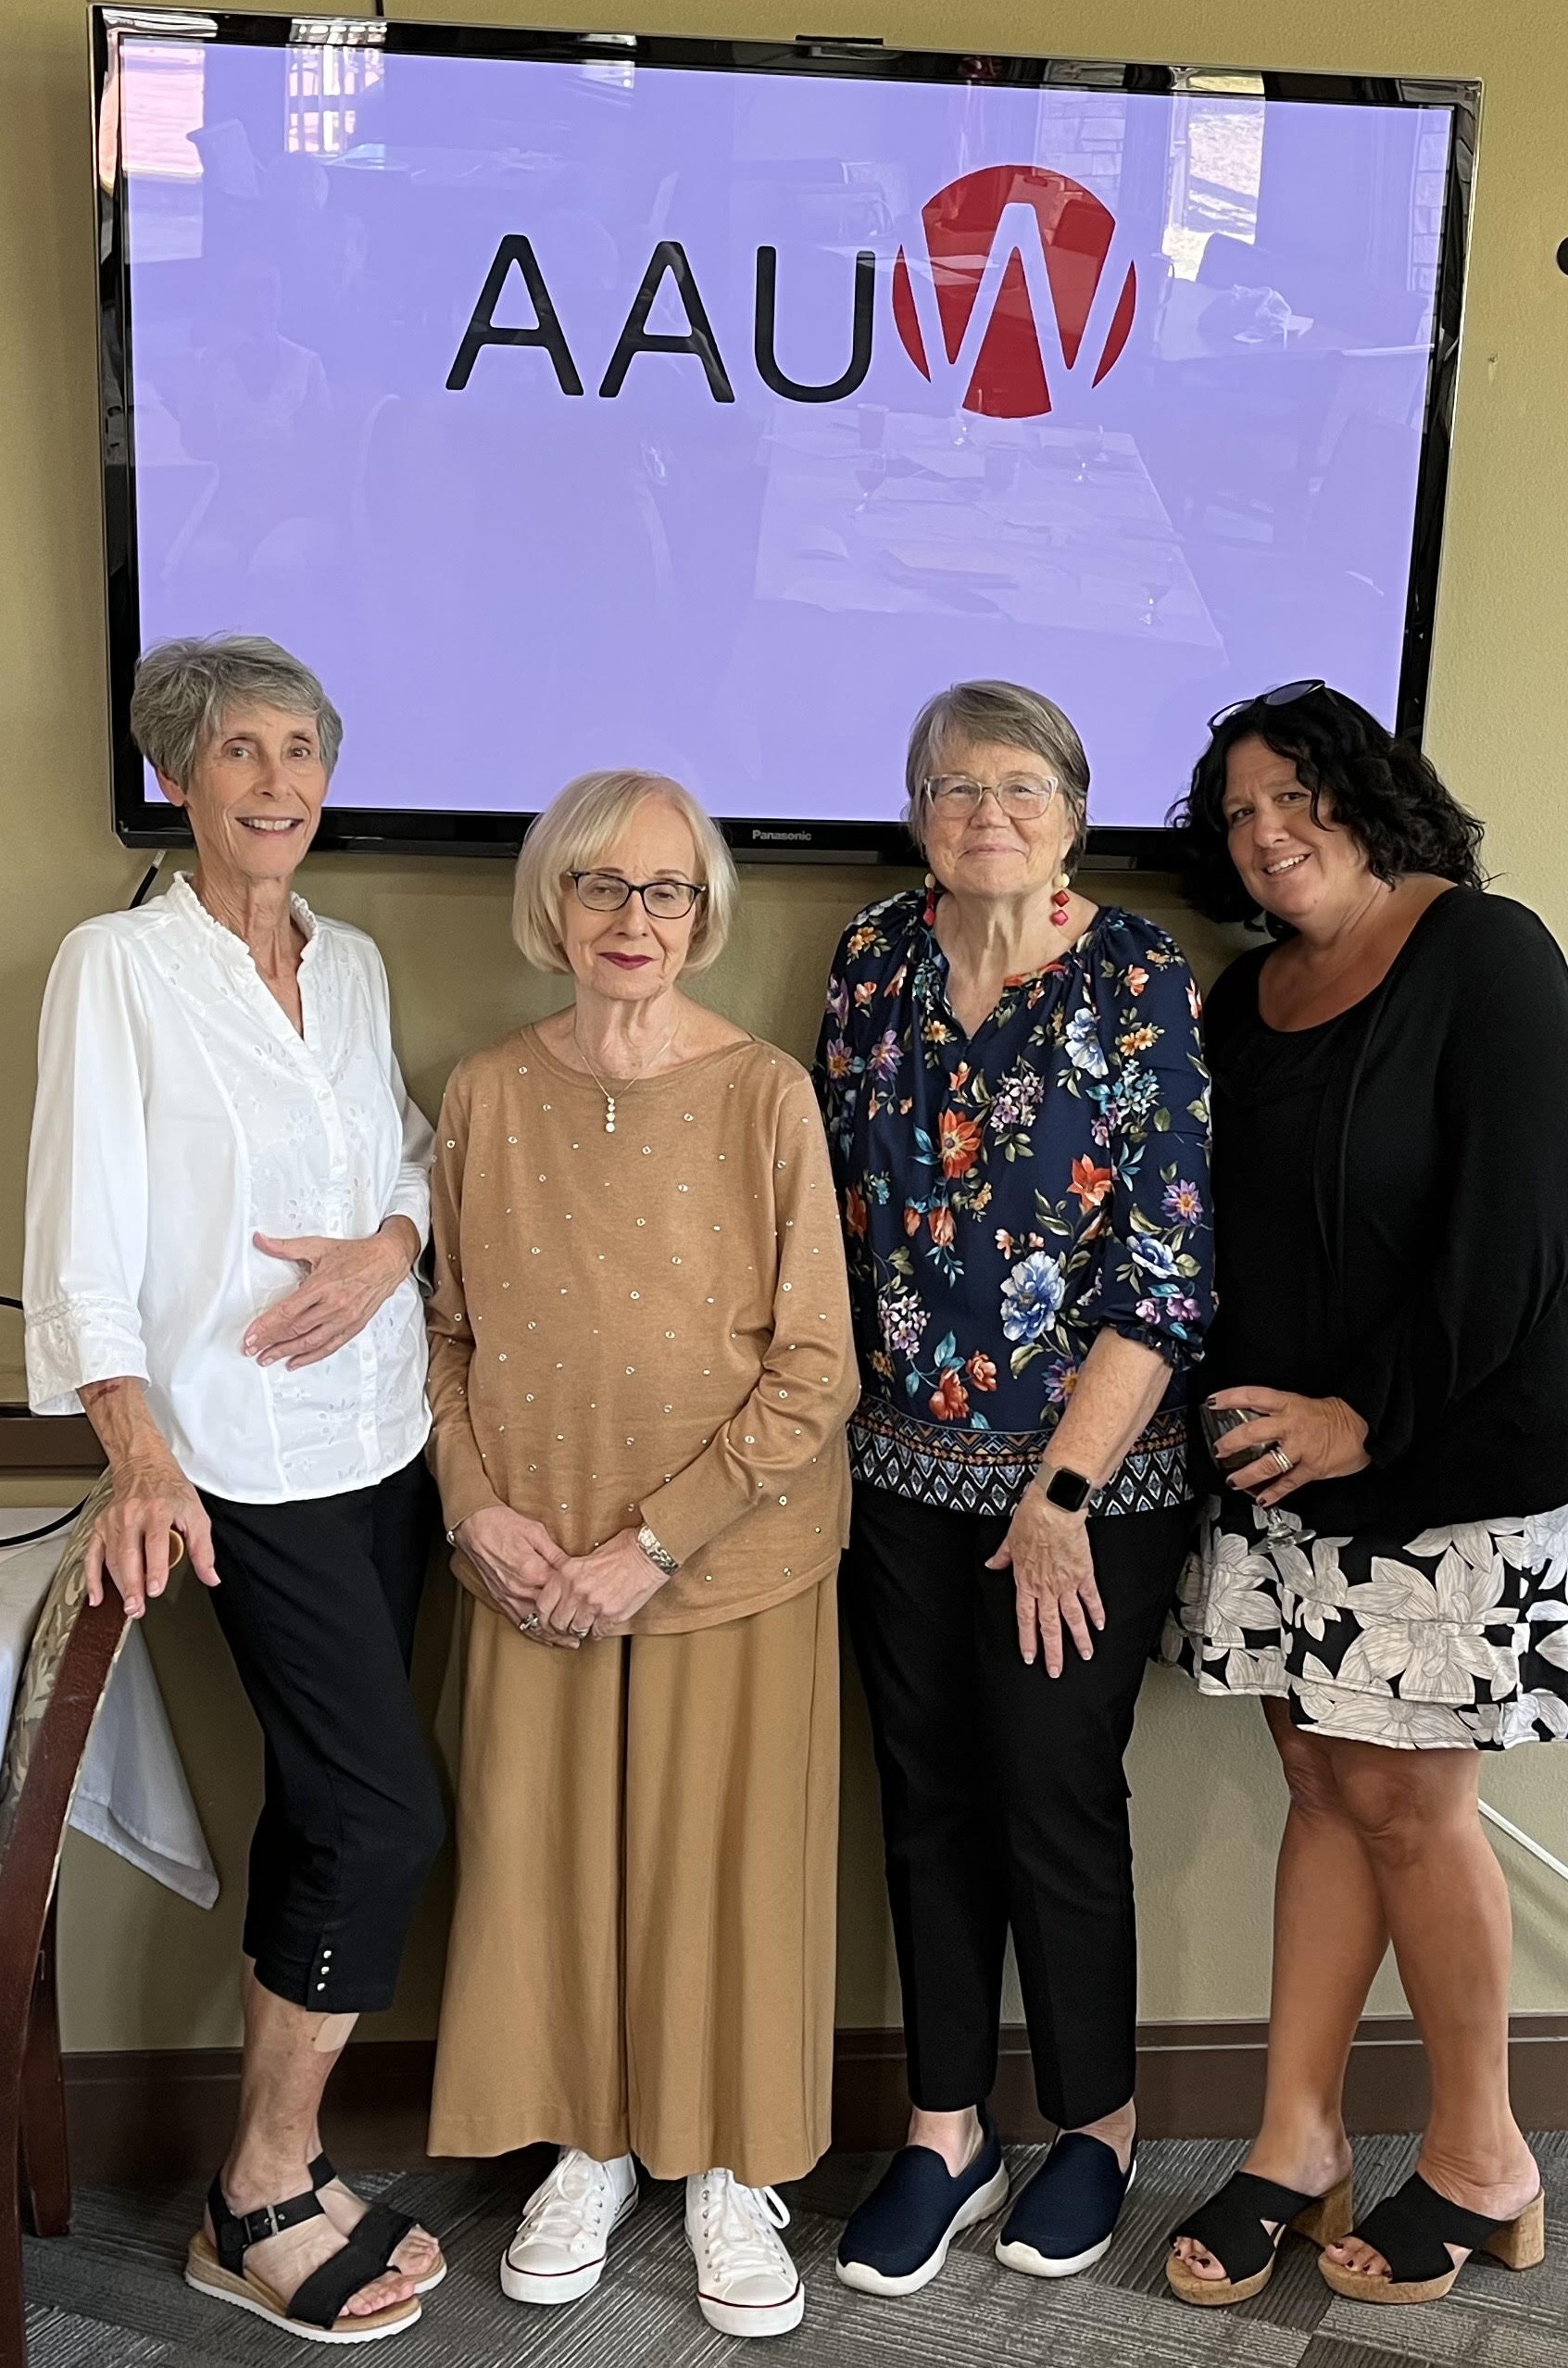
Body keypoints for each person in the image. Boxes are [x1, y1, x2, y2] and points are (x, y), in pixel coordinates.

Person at [1161, 681, 1568, 2308]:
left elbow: (1521, 1227)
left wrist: (1364, 1419)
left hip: (1444, 1464)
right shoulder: (1243, 996)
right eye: (1236, 813)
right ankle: (1296, 2138)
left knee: (1409, 1804)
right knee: (1319, 1780)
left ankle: (1485, 2159)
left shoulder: (1485, 954)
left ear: (1370, 792)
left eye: (1295, 794)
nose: (1265, 832)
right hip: (1280, 1472)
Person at [24, 635, 446, 2345]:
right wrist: (137, 1451)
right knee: (384, 1815)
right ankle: (255, 2188)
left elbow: (406, 1155)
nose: (276, 782)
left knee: (323, 1808)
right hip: (236, 1467)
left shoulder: (351, 963)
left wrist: (391, 1249)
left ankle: (296, 2158)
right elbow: (78, 1235)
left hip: (387, 1444)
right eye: (239, 752)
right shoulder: (115, 968)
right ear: (177, 778)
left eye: (299, 750)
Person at [424, 769, 856, 2342]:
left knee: (722, 1878)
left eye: (666, 889)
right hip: (528, 1567)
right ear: (553, 903)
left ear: (703, 915)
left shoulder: (764, 1094)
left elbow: (815, 1367)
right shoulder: (482, 1093)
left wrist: (655, 1546)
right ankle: (587, 2150)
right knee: (542, 1872)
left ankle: (730, 2168)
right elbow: (444, 1337)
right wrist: (477, 1508)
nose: (633, 918)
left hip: (728, 1566)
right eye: (600, 884)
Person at [815, 680, 1213, 2295]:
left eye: (1021, 786)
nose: (987, 812)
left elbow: (1164, 1271)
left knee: (1052, 1796)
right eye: (955, 786)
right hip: (894, 1476)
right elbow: (830, 1214)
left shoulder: (1135, 976)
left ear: (1074, 813)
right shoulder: (871, 960)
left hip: (1087, 1494)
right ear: (917, 811)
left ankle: (1094, 2125)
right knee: (925, 1800)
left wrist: (1056, 1496)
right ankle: (944, 2129)